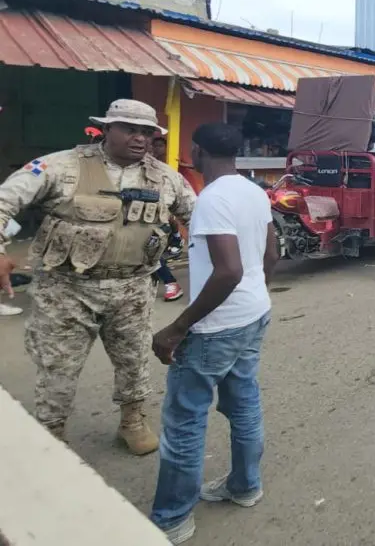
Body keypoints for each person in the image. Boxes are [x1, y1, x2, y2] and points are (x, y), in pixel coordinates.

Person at [0, 100, 196, 452]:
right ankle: (52, 432)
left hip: (133, 288)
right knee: (58, 367)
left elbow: (200, 217)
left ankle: (132, 420)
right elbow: (5, 201)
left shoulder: (166, 178)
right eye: (130, 129)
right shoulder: (61, 166)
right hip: (66, 289)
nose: (140, 138)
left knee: (134, 361)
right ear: (107, 129)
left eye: (147, 132)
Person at [147, 123, 276, 544]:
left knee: (185, 421)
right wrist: (257, 293)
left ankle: (172, 518)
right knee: (244, 403)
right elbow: (271, 254)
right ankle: (245, 486)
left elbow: (228, 271)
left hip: (215, 327)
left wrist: (178, 326)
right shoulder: (254, 191)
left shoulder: (212, 199)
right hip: (253, 315)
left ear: (197, 151)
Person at [151, 136, 184, 302]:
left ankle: (171, 282)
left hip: (162, 207)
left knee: (151, 252)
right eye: (154, 145)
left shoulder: (168, 166)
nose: (156, 148)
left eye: (159, 146)